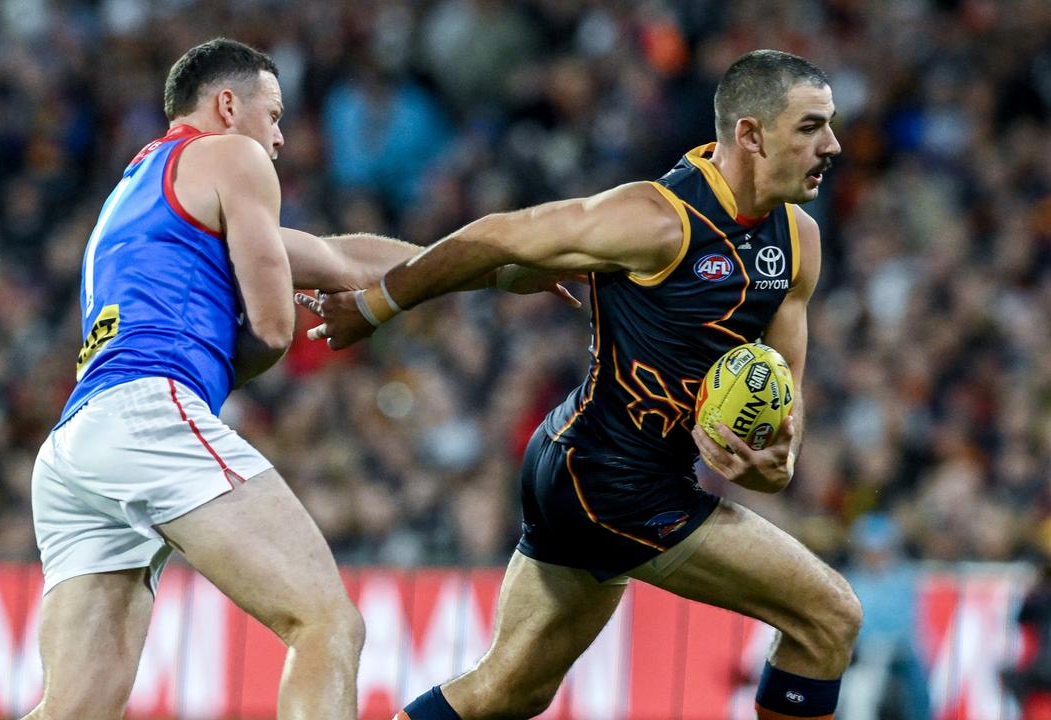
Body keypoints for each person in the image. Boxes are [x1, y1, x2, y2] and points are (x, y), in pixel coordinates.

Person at [300, 49, 861, 720]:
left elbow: (777, 451)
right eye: (810, 127)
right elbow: (498, 238)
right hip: (607, 478)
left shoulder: (798, 244)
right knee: (828, 616)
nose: (831, 145)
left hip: (592, 467)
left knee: (509, 690)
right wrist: (375, 307)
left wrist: (770, 459)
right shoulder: (657, 219)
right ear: (750, 134)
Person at [23, 38, 571, 720]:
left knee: (72, 710)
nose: (279, 138)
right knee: (327, 625)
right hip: (148, 411)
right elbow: (276, 328)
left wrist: (495, 271)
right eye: (274, 114)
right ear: (227, 105)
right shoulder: (231, 155)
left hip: (78, 445)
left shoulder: (139, 195)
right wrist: (307, 321)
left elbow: (337, 258)